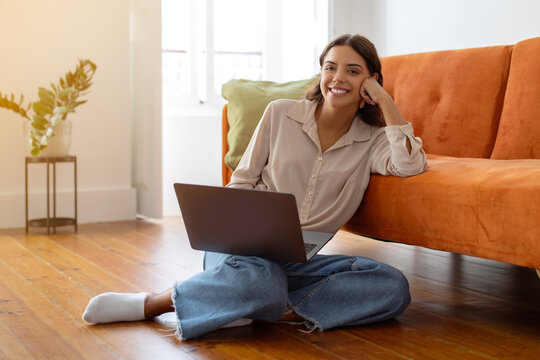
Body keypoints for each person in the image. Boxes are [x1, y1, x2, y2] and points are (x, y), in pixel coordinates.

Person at [82, 34, 428, 340]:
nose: (338, 78)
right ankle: (155, 303)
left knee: (392, 286)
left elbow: (410, 162)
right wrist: (233, 226)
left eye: (353, 71)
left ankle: (256, 306)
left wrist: (385, 101)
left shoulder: (373, 141)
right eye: (330, 67)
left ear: (372, 80)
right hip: (243, 250)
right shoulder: (280, 114)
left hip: (300, 259)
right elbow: (243, 181)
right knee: (259, 278)